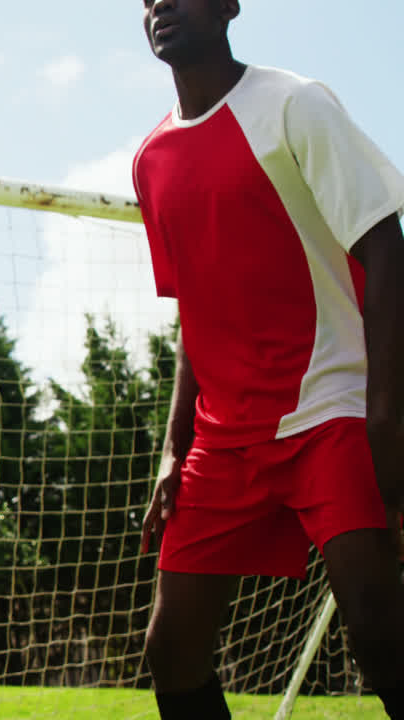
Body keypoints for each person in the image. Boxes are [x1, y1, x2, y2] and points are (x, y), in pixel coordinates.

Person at [131, 1, 404, 718]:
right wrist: (173, 448)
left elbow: (384, 244)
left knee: (379, 635)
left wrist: (384, 419)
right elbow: (197, 308)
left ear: (228, 6)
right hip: (224, 439)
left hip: (331, 408)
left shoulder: (295, 104)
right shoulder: (150, 159)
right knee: (172, 650)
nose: (161, 5)